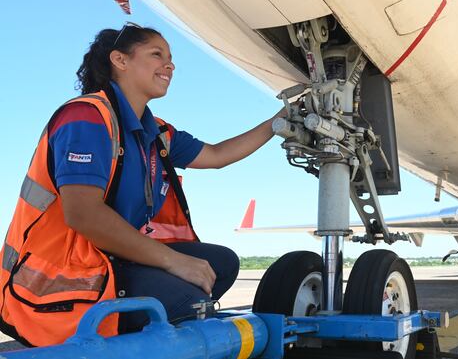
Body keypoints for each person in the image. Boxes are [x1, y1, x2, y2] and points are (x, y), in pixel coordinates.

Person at [0, 23, 283, 347]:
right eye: (156, 54)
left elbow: (217, 154)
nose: (170, 64)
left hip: (106, 258)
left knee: (221, 264)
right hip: (54, 276)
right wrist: (173, 261)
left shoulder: (155, 132)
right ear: (120, 60)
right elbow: (83, 215)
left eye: (171, 57)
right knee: (187, 299)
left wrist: (278, 122)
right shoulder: (86, 117)